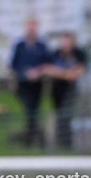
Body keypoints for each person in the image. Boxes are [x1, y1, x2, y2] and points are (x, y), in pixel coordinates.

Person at [9, 17, 51, 147]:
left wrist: (38, 71)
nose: (31, 28)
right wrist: (14, 80)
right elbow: (13, 65)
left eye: (34, 25)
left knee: (34, 109)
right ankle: (31, 136)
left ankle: (32, 136)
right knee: (29, 109)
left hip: (37, 84)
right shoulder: (19, 45)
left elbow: (47, 62)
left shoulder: (41, 45)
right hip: (23, 84)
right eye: (29, 25)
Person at [45, 32, 86, 149]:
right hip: (57, 91)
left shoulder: (78, 54)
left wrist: (61, 73)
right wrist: (65, 73)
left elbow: (78, 71)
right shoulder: (56, 54)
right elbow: (47, 68)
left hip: (71, 90)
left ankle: (66, 143)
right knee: (59, 115)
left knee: (66, 114)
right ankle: (60, 142)